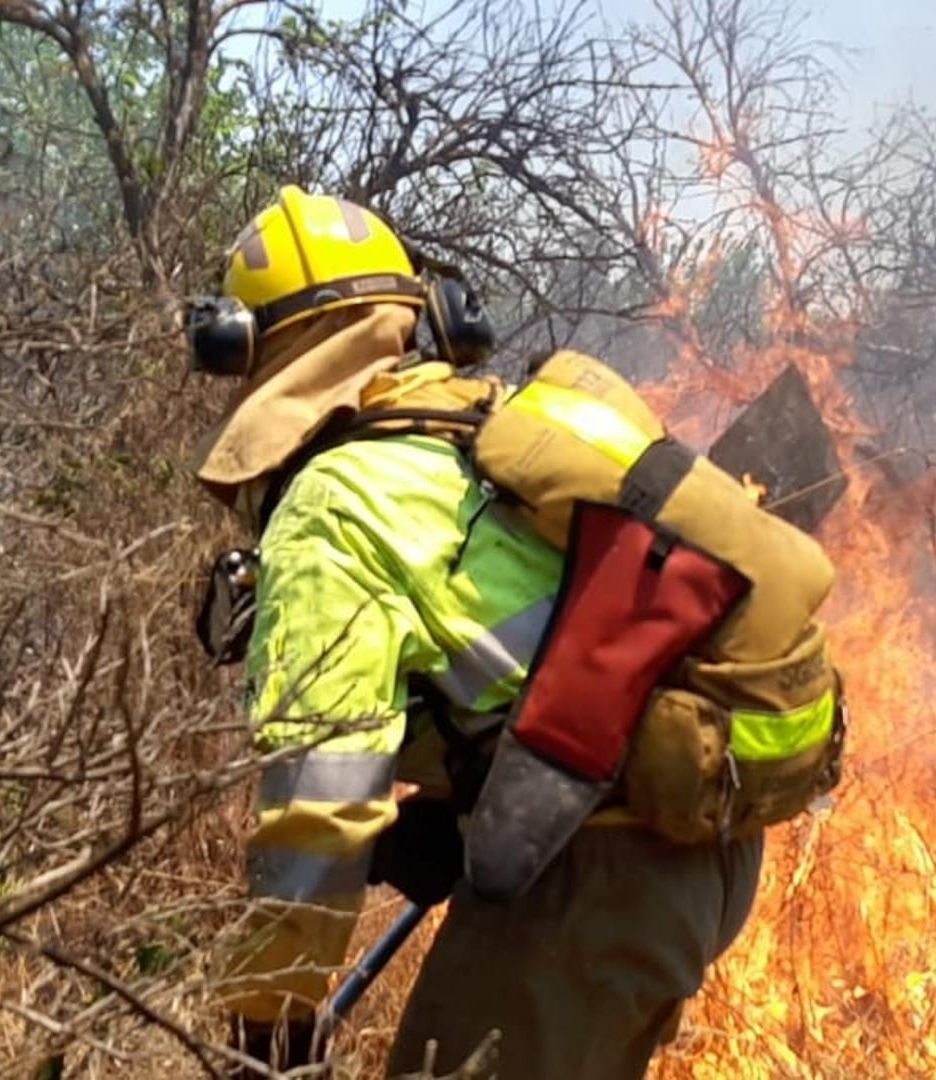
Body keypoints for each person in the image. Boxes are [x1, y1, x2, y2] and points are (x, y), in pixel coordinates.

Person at [189, 185, 829, 1079]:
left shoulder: (331, 508)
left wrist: (268, 1021)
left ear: (252, 353)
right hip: (698, 862)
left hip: (597, 874)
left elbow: (318, 810)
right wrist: (455, 819)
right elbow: (542, 655)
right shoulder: (485, 430)